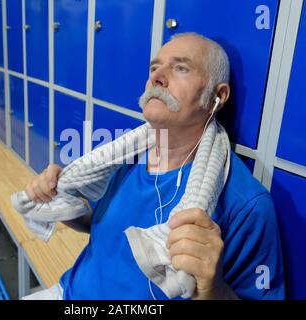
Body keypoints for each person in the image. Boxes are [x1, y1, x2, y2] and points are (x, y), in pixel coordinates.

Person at [23, 32, 285, 300]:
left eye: (181, 68)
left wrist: (214, 289)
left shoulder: (247, 205)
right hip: (68, 292)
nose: (156, 77)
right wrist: (60, 197)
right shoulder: (125, 159)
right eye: (154, 67)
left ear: (217, 96)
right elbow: (100, 228)